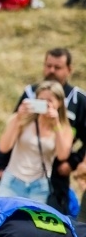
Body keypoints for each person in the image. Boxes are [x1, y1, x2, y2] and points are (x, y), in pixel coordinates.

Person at [12, 48, 86, 216]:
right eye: (48, 66)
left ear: (69, 69)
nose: (51, 71)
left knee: (50, 221)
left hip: (56, 176)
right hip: (23, 171)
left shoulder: (78, 99)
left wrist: (72, 162)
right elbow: (14, 129)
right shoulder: (30, 93)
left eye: (57, 67)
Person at [0, 80, 73, 204]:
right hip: (12, 180)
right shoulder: (24, 119)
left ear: (59, 103)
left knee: (31, 223)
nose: (45, 104)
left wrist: (56, 124)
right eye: (41, 99)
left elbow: (62, 155)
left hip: (39, 186)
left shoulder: (64, 128)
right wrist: (18, 118)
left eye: (49, 101)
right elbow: (3, 147)